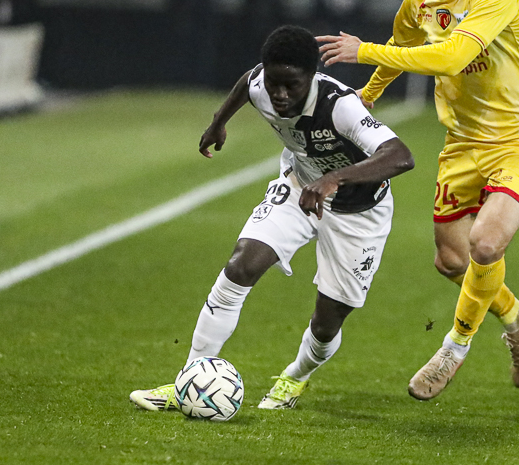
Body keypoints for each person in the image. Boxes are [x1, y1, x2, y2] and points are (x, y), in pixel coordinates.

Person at [317, 0, 519, 401]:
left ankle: (455, 346)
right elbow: (402, 44)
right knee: (450, 261)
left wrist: (366, 52)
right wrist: (367, 100)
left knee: (486, 243)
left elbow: (448, 56)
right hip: (463, 144)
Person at [130, 25, 414, 411]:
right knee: (241, 266)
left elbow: (400, 156)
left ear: (311, 78)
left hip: (358, 211)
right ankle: (188, 381)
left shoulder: (340, 106)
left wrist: (335, 178)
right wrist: (219, 120)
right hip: (299, 187)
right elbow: (248, 82)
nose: (279, 95)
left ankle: (295, 377)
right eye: (274, 82)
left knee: (327, 323)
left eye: (291, 86)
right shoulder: (262, 83)